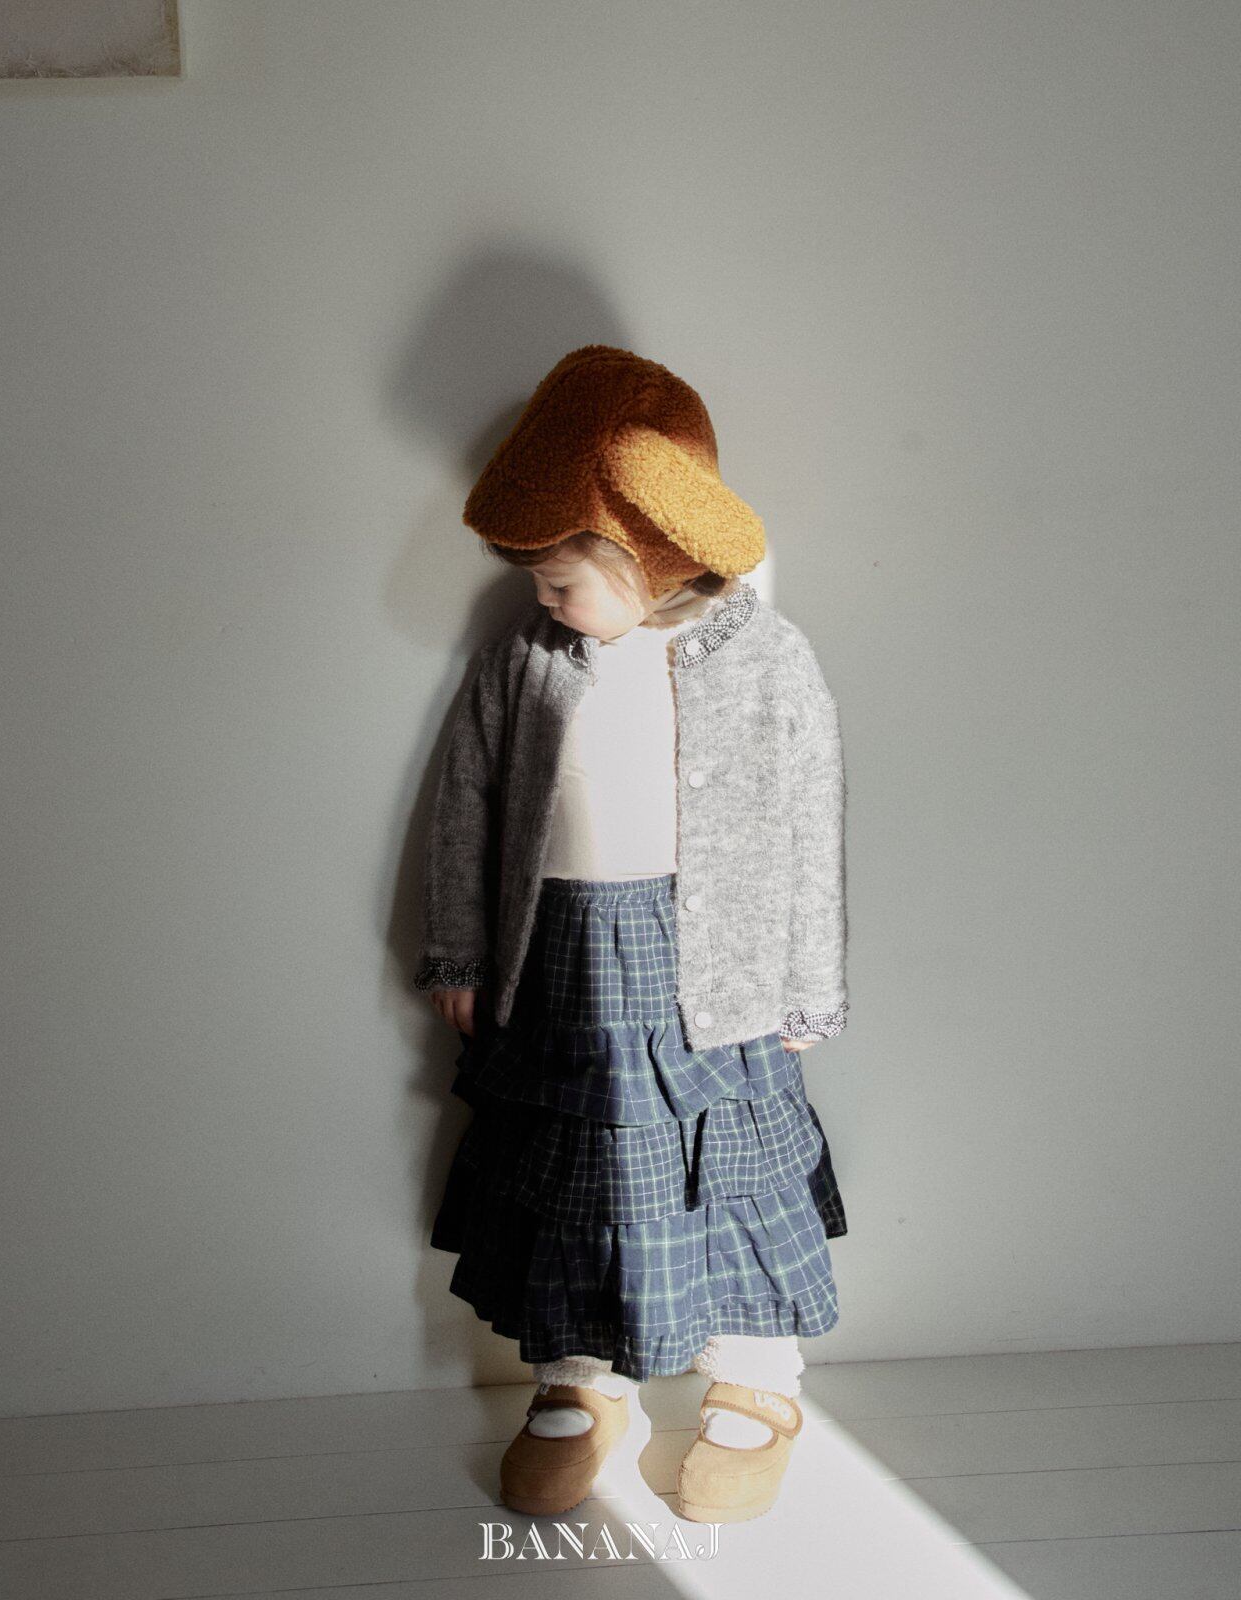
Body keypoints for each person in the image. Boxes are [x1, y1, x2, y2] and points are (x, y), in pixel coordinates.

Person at [412, 344, 850, 1523]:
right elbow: (465, 802)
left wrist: (806, 985)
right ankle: (576, 1380)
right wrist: (458, 950)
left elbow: (808, 821)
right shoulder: (527, 658)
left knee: (729, 1171)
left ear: (641, 555)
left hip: (718, 972)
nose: (544, 602)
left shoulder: (764, 658)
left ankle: (753, 1381)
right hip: (559, 958)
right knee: (574, 1177)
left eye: (562, 582)